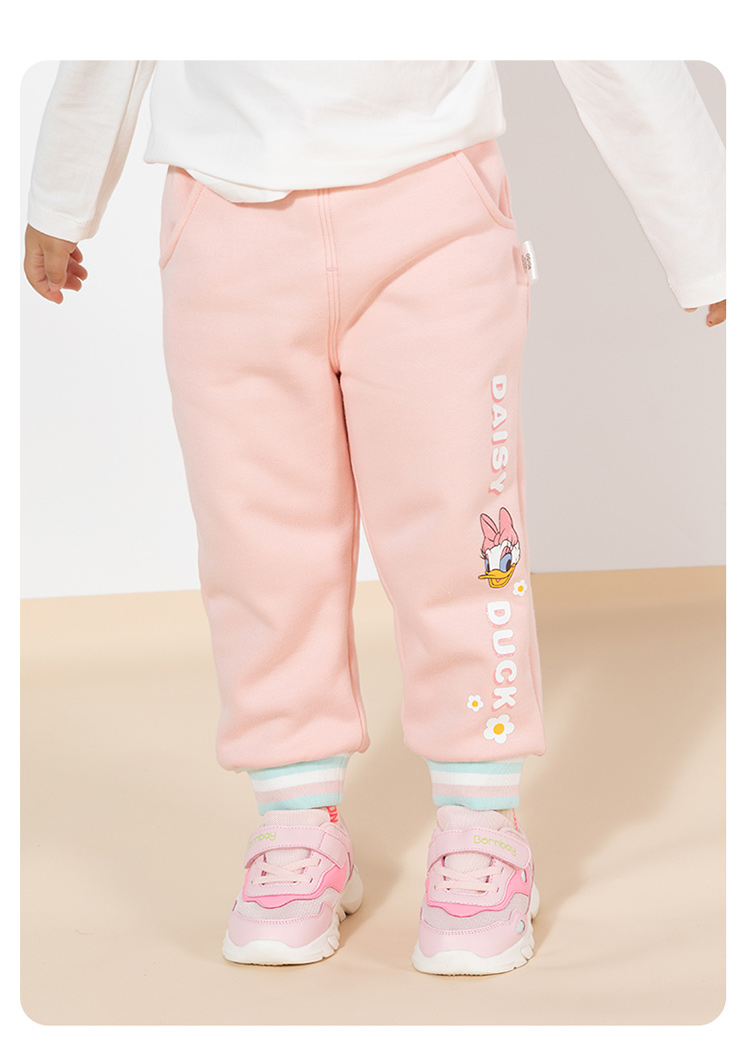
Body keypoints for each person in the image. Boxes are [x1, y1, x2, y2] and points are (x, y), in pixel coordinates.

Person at [23, 60, 726, 976]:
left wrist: (706, 229)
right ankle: (295, 816)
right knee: (257, 541)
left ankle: (481, 819)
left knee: (465, 539)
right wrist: (65, 190)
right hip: (225, 211)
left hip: (430, 201)